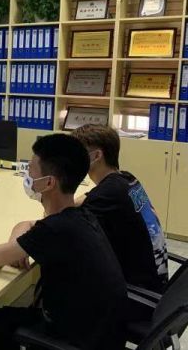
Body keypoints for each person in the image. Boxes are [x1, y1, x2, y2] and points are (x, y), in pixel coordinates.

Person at [0, 134, 126, 350]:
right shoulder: (80, 215)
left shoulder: (54, 230)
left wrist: (15, 248)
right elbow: (26, 224)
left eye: (31, 170)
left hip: (75, 338)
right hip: (99, 331)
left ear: (49, 183)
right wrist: (19, 245)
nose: (27, 175)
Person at [71, 124, 168, 293]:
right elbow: (91, 196)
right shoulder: (126, 178)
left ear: (96, 156)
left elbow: (63, 225)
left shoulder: (107, 195)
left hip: (138, 293)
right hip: (155, 280)